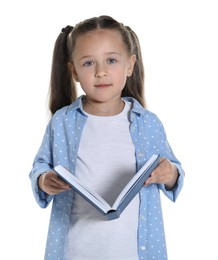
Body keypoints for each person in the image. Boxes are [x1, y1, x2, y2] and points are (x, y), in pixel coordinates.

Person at [29, 15, 185, 260]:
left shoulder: (148, 123)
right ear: (74, 71)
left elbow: (172, 170)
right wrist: (43, 180)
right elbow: (40, 166)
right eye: (89, 63)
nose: (101, 72)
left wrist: (170, 174)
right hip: (75, 251)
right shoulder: (63, 122)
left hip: (135, 252)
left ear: (130, 65)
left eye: (111, 60)